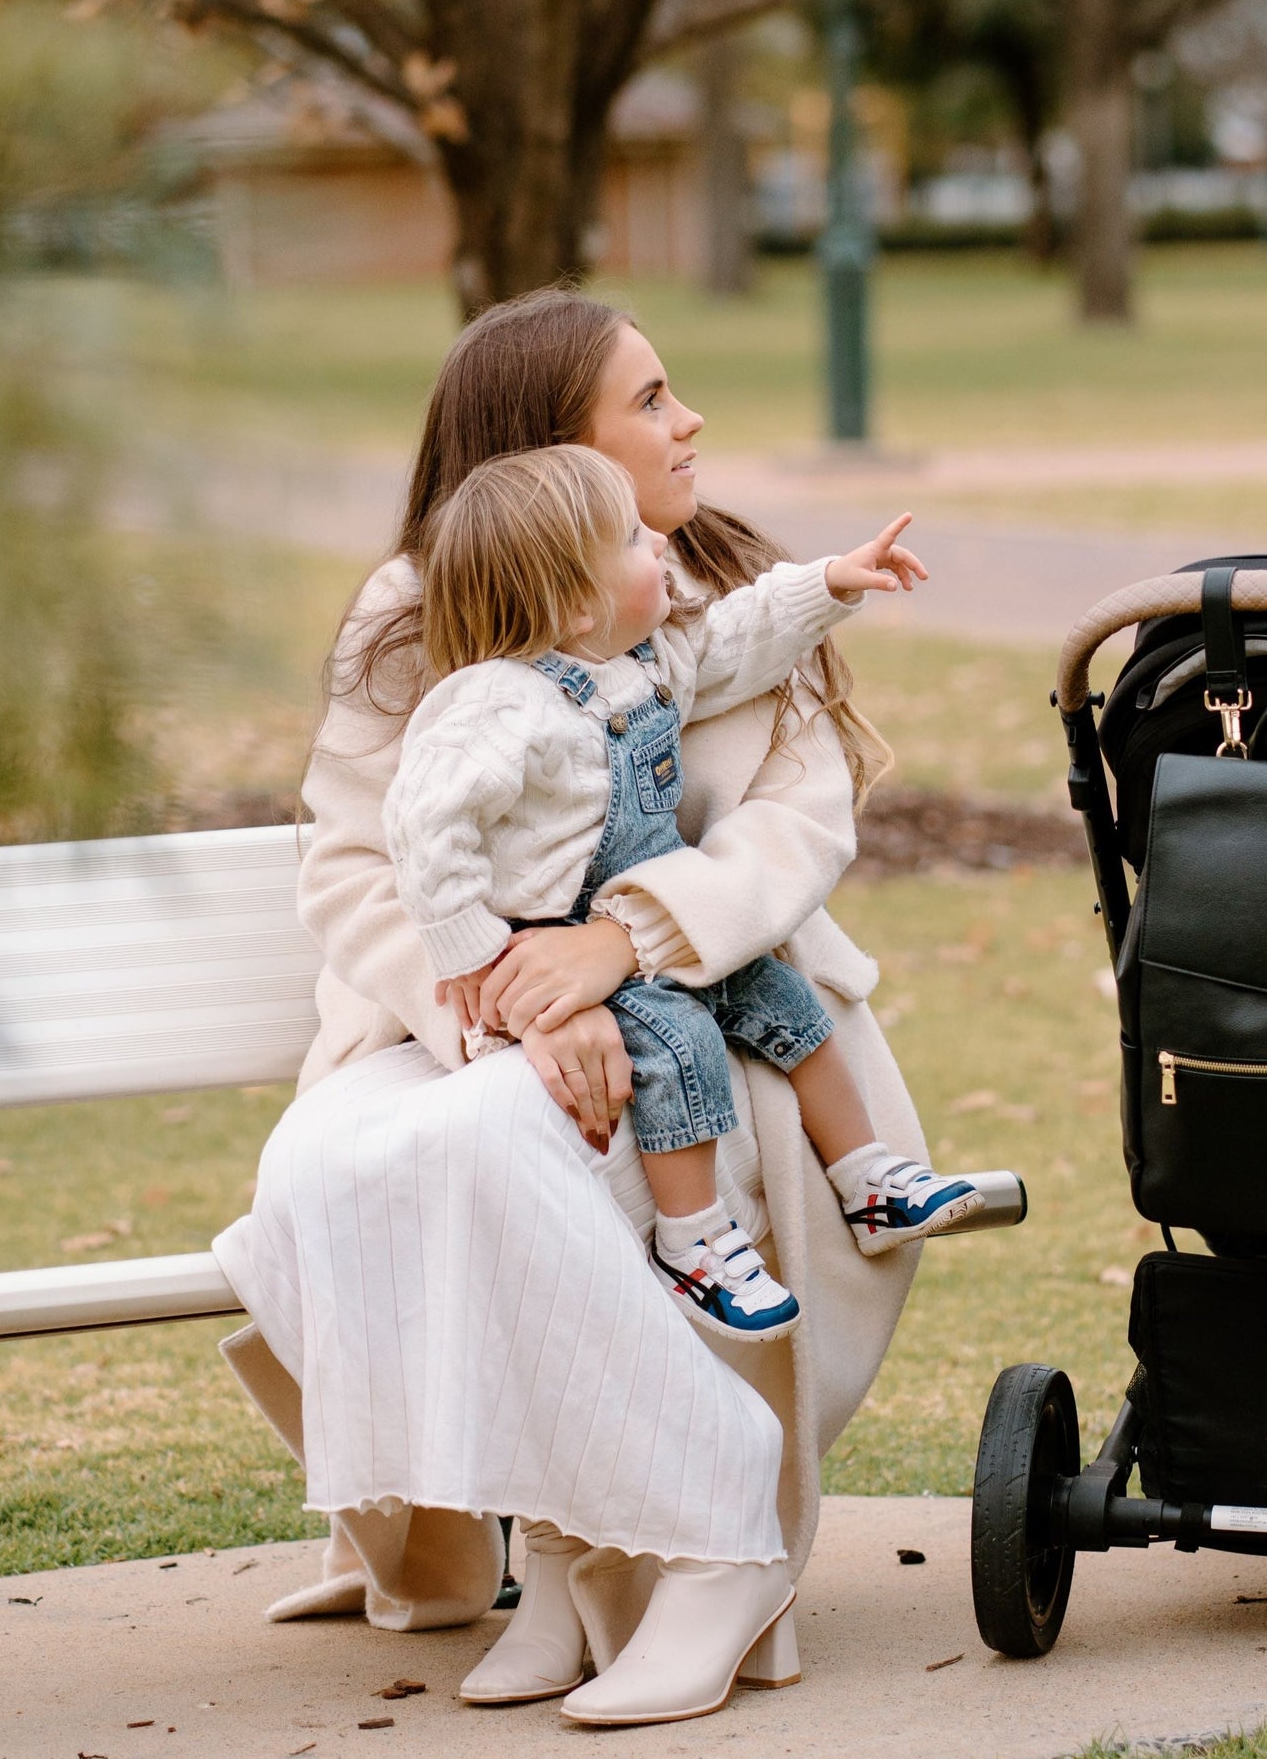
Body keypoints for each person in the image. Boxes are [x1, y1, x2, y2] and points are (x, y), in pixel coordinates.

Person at [212, 288, 952, 1727]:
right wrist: (506, 1001)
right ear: (556, 461)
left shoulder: (702, 590)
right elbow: (363, 859)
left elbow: (788, 839)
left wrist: (618, 947)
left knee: (513, 1147)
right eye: (653, 401)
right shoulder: (423, 612)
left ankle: (705, 1538)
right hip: (460, 1019)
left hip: (730, 1018)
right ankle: (556, 1544)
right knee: (322, 1162)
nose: (690, 425)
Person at [385, 447, 981, 1341]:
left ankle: (868, 1180)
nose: (658, 543)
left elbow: (738, 640)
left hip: (642, 931)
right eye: (630, 539)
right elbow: (423, 819)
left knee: (793, 1004)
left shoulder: (649, 658)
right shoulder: (501, 705)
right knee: (683, 1053)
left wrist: (831, 583)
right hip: (565, 952)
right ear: (575, 601)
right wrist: (472, 947)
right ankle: (695, 1241)